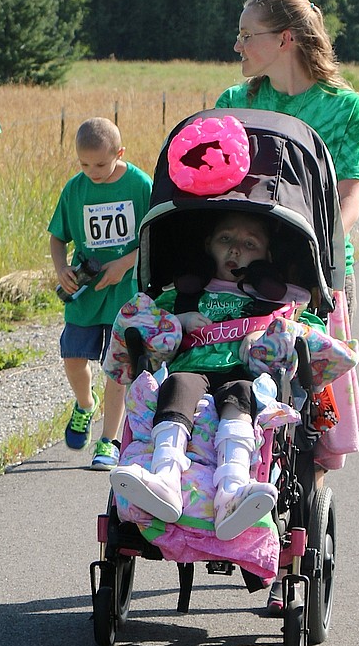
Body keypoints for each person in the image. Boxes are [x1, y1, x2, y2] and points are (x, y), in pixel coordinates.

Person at [108, 212, 299, 540]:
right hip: (191, 368)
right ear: (207, 244)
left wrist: (266, 332)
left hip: (241, 373)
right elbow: (142, 319)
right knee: (177, 384)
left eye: (249, 244)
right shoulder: (182, 294)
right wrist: (178, 321)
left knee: (242, 393)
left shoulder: (273, 301)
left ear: (267, 256)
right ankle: (165, 478)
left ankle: (232, 490)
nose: (235, 250)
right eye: (225, 239)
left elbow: (300, 334)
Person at [218, 0, 359, 313]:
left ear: (284, 39)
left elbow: (350, 194)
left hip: (320, 274)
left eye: (247, 36)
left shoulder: (345, 109)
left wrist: (315, 250)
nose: (237, 46)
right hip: (239, 271)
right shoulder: (232, 103)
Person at [47, 118, 152, 472]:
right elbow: (58, 236)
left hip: (125, 291)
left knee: (117, 368)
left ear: (119, 154)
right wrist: (61, 267)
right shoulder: (75, 189)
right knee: (74, 357)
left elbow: (156, 238)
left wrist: (125, 263)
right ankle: (83, 402)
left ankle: (108, 441)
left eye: (101, 165)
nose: (92, 172)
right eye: (84, 164)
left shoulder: (140, 185)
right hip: (87, 292)